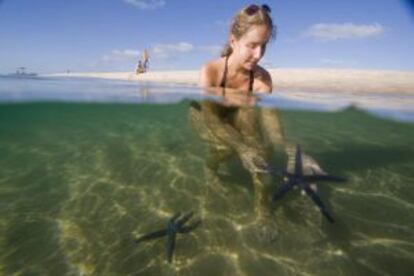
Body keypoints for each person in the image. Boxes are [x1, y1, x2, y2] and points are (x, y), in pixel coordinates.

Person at [200, 4, 274, 94]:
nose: (258, 55)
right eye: (252, 45)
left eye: (263, 45)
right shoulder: (211, 72)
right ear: (233, 41)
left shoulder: (263, 80)